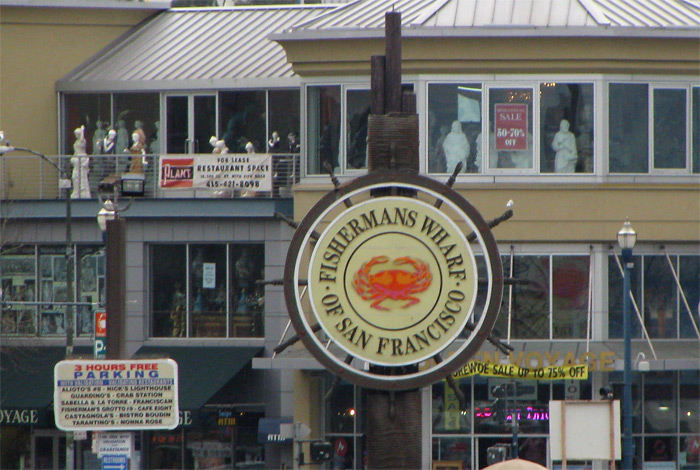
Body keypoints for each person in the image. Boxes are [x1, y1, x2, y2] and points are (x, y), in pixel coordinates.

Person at [71, 126, 91, 198]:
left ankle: (83, 192)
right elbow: (75, 151)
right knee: (74, 176)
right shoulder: (76, 142)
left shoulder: (82, 140)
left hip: (82, 159)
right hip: (76, 159)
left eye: (77, 134)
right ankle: (76, 191)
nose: (76, 135)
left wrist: (82, 131)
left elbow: (82, 142)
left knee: (82, 176)